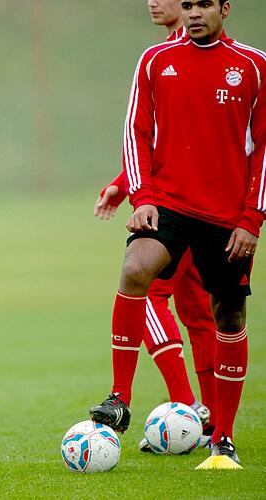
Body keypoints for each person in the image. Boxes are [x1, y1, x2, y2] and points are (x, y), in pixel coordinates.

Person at [89, 0, 265, 469]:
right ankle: (119, 397)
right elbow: (136, 130)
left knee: (226, 315)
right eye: (186, 4)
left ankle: (222, 437)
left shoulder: (252, 65)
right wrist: (140, 193)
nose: (192, 12)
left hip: (226, 216)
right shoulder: (154, 60)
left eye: (203, 4)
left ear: (225, 9)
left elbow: (264, 146)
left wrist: (252, 218)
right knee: (135, 272)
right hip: (167, 202)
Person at [93, 0, 214, 452]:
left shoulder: (207, 60)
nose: (153, 2)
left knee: (160, 298)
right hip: (172, 198)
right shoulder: (161, 56)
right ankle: (202, 413)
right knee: (190, 307)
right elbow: (159, 138)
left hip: (197, 206)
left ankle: (189, 409)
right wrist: (125, 185)